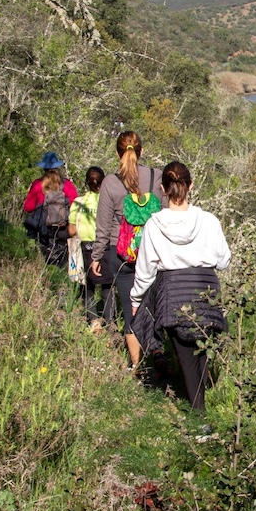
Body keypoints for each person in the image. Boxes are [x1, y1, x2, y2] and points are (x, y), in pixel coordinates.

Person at [129, 161, 231, 410]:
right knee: (201, 347)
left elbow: (145, 269)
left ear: (163, 188)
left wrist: (135, 299)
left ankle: (200, 415)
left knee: (185, 355)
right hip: (205, 287)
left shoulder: (154, 224)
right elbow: (224, 260)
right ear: (190, 186)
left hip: (172, 291)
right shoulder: (209, 221)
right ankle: (201, 407)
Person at [91, 131, 165, 370]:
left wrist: (96, 256)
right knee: (153, 305)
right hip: (152, 251)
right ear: (141, 151)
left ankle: (138, 366)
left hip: (120, 253)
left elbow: (102, 226)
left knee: (128, 308)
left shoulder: (110, 182)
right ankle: (158, 353)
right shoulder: (156, 177)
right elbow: (166, 217)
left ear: (117, 153)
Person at [69, 166, 115, 330]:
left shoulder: (78, 203)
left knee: (87, 286)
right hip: (106, 247)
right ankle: (111, 322)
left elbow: (72, 230)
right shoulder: (109, 201)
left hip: (86, 247)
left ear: (87, 183)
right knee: (108, 285)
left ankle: (93, 321)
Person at [23, 151, 78, 267]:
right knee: (62, 263)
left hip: (43, 231)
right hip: (64, 229)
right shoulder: (67, 185)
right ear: (58, 167)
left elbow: (28, 207)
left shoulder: (38, 185)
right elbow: (76, 206)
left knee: (45, 262)